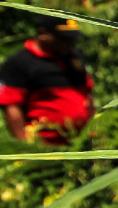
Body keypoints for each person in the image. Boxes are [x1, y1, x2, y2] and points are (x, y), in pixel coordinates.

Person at [0, 16, 93, 146]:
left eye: (72, 39)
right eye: (64, 38)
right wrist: (25, 147)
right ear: (43, 34)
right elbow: (12, 107)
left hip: (80, 143)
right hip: (44, 147)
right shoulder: (19, 63)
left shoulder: (73, 57)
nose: (71, 43)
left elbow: (87, 93)